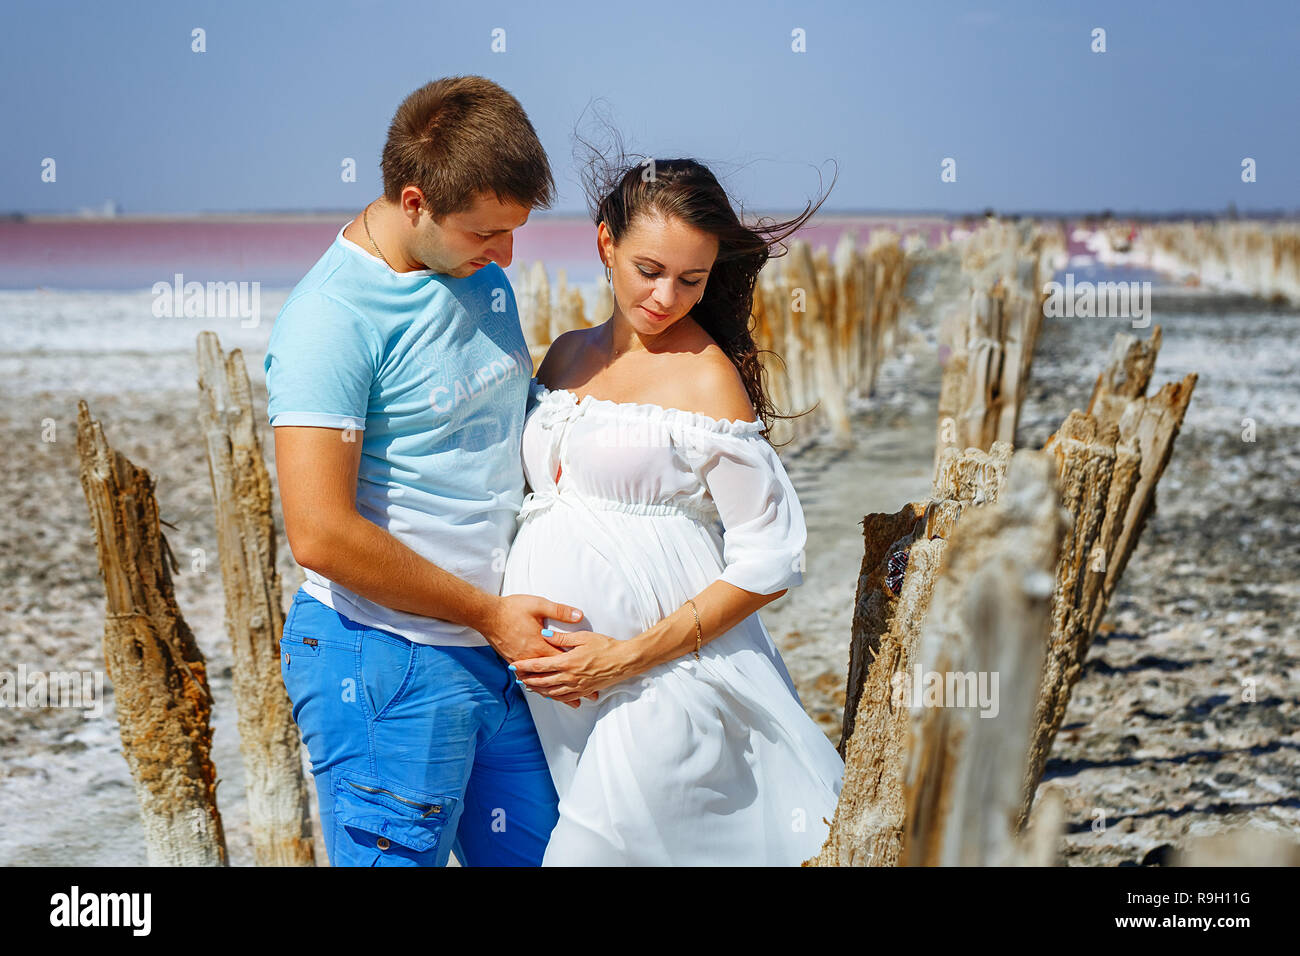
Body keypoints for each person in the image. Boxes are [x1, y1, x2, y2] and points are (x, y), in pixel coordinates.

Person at [264, 76, 582, 866]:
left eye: (515, 230)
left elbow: (487, 428)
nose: (505, 254)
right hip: (385, 662)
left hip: (498, 652)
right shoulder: (330, 320)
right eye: (485, 232)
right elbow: (321, 534)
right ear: (415, 202)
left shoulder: (481, 274)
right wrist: (485, 612)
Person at [502, 156, 846, 865]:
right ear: (605, 244)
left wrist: (626, 656)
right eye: (648, 270)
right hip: (562, 696)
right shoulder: (566, 356)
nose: (666, 297)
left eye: (692, 280)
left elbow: (770, 560)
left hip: (662, 681)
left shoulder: (707, 379)